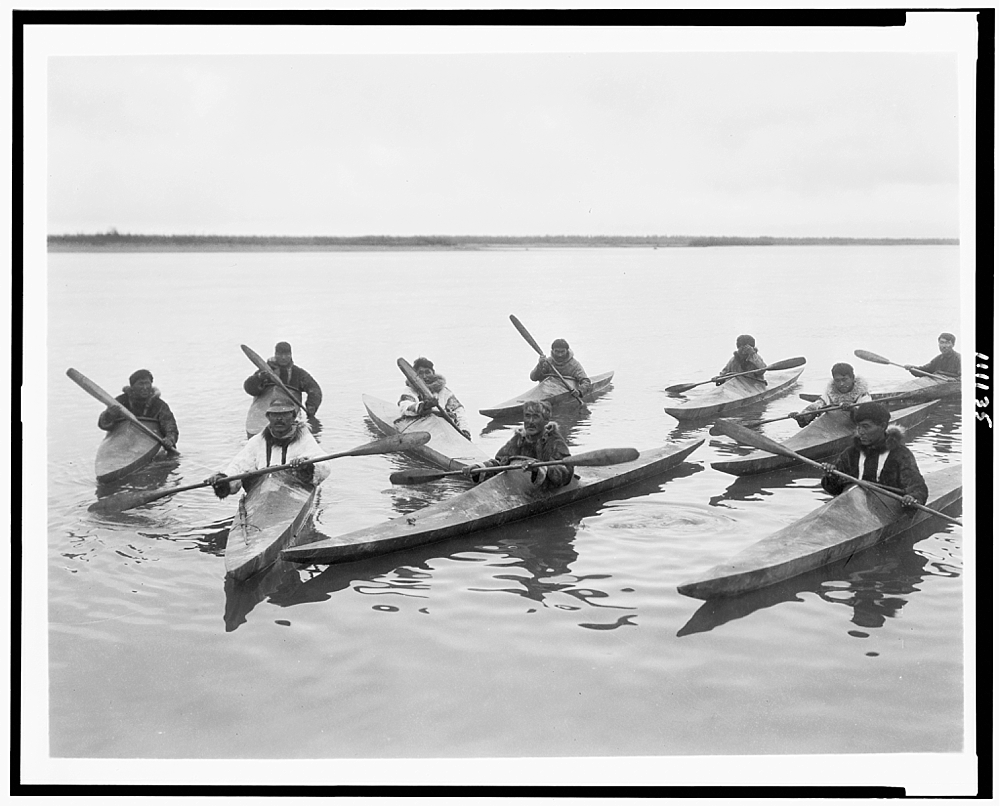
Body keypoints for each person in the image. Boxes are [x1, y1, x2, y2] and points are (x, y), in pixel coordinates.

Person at [205, 395, 330, 498]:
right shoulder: (257, 441)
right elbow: (239, 466)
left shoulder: (304, 439)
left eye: (285, 414)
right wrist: (222, 480)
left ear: (293, 416)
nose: (279, 419)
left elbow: (324, 467)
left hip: (294, 494)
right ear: (268, 417)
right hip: (261, 495)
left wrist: (306, 465)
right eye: (275, 415)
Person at [819, 401, 927, 508]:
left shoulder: (901, 454)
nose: (860, 432)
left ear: (883, 426)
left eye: (866, 426)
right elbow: (834, 490)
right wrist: (831, 475)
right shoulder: (850, 453)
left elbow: (917, 487)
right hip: (854, 507)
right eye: (858, 427)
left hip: (886, 509)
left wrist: (912, 497)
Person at [462, 400, 573, 490]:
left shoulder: (555, 441)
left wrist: (539, 469)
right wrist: (479, 467)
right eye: (527, 416)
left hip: (545, 489)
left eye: (535, 417)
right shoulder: (519, 439)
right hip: (521, 487)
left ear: (546, 420)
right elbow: (501, 462)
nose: (530, 421)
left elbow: (566, 473)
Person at [97, 368, 179, 449]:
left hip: (149, 442)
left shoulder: (160, 405)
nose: (145, 387)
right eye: (141, 384)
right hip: (122, 442)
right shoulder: (120, 401)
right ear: (132, 386)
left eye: (147, 383)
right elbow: (103, 424)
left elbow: (170, 426)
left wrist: (170, 439)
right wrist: (110, 415)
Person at [398, 356, 472, 440]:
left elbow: (459, 411)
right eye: (420, 373)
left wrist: (464, 430)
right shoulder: (410, 390)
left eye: (427, 372)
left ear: (433, 373)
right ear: (415, 375)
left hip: (443, 429)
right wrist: (425, 406)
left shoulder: (444, 392)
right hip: (420, 428)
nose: (425, 376)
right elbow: (405, 408)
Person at [243, 341, 323, 416]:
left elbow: (314, 389)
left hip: (289, 407)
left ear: (291, 355)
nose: (283, 357)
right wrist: (258, 378)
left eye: (287, 354)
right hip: (266, 407)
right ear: (275, 354)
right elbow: (249, 389)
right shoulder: (264, 372)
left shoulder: (298, 373)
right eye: (280, 354)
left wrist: (311, 406)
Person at [790, 362, 872, 427]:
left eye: (845, 379)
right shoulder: (829, 394)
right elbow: (815, 406)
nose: (841, 384)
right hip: (830, 427)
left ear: (852, 378)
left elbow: (866, 416)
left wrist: (852, 409)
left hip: (850, 426)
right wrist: (801, 416)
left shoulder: (863, 395)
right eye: (837, 380)